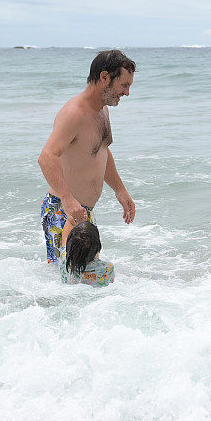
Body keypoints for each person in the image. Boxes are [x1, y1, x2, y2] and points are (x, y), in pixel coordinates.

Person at [38, 50, 136, 265]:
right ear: (104, 77)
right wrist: (67, 199)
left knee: (85, 282)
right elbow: (47, 157)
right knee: (67, 282)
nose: (127, 92)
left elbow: (101, 151)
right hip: (63, 212)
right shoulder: (75, 113)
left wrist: (120, 190)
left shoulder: (102, 111)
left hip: (83, 213)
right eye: (124, 85)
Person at [60, 221, 114, 285]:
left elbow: (64, 238)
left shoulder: (65, 261)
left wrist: (72, 218)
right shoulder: (107, 268)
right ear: (98, 247)